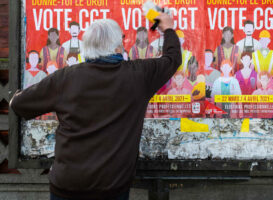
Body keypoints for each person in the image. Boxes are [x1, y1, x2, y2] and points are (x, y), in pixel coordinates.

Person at [10, 14, 180, 200]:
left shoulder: (65, 78)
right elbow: (172, 59)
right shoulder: (138, 75)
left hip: (67, 186)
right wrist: (168, 29)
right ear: (117, 48)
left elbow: (18, 104)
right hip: (112, 188)